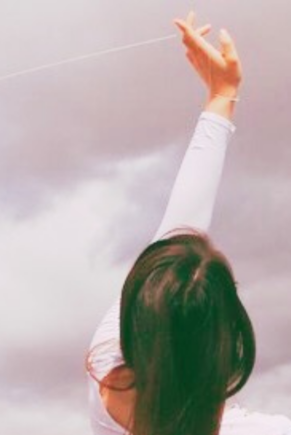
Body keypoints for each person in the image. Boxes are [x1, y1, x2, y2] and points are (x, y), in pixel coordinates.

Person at [85, 11, 291, 435]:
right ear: (228, 347)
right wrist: (223, 95)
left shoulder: (107, 368)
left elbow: (178, 229)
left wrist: (222, 97)